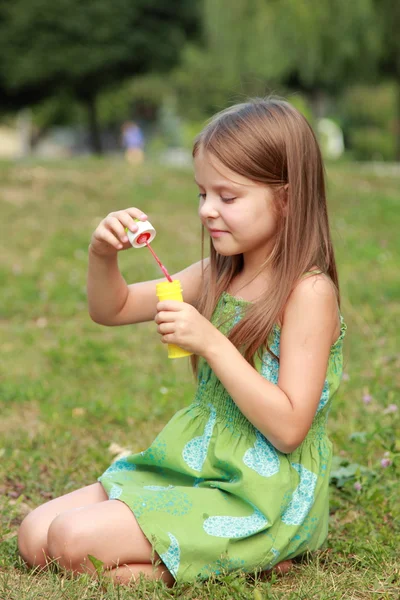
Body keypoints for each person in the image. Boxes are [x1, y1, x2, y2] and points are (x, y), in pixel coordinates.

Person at [18, 97, 346, 586]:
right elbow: (113, 308)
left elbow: (289, 427)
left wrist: (212, 342)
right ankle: (227, 557)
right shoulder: (217, 274)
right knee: (34, 534)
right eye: (202, 195)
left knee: (69, 543)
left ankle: (257, 550)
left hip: (259, 491)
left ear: (287, 197)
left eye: (227, 197)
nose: (208, 211)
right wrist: (102, 254)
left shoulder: (309, 292)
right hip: (197, 464)